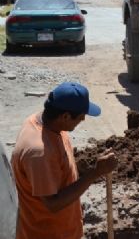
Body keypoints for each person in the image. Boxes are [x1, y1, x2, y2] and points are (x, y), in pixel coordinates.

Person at [11, 82, 117, 239]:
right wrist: (96, 172)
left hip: (63, 230)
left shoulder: (48, 124)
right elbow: (53, 204)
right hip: (47, 234)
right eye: (81, 117)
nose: (83, 119)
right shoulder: (39, 153)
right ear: (65, 116)